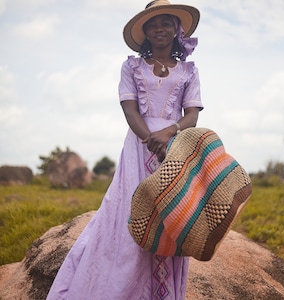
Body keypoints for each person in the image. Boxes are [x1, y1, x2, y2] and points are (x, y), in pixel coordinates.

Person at [46, 0, 203, 299]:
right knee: (132, 213)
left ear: (176, 29)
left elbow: (192, 114)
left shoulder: (189, 71)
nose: (159, 28)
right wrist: (151, 141)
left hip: (176, 147)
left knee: (169, 216)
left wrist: (170, 132)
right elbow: (130, 111)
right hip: (139, 146)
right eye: (152, 24)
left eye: (166, 23)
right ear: (144, 32)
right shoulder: (131, 66)